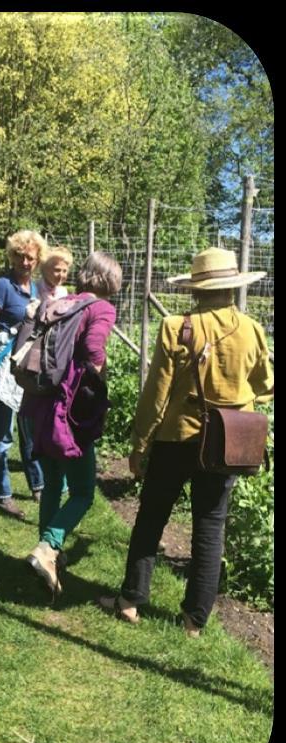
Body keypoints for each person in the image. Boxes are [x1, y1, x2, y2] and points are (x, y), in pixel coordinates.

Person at [99, 247, 274, 636]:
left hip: (176, 438)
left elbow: (155, 393)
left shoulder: (177, 326)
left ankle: (130, 600)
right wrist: (237, 400)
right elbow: (265, 386)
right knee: (210, 527)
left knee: (151, 517)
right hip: (225, 443)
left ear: (197, 288)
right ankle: (194, 621)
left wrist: (139, 443)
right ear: (231, 287)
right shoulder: (252, 330)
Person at [23, 251, 123, 596]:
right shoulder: (102, 308)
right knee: (82, 492)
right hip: (71, 410)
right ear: (111, 281)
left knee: (52, 484)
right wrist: (96, 378)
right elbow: (94, 350)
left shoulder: (63, 303)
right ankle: (49, 547)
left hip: (42, 402)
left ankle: (47, 551)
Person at [0, 230, 48, 519]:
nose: (25, 261)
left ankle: (39, 485)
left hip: (29, 370)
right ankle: (1, 494)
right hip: (6, 369)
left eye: (30, 257)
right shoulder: (3, 285)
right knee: (3, 435)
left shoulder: (37, 289)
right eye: (19, 256)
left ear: (38, 259)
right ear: (12, 256)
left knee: (31, 432)